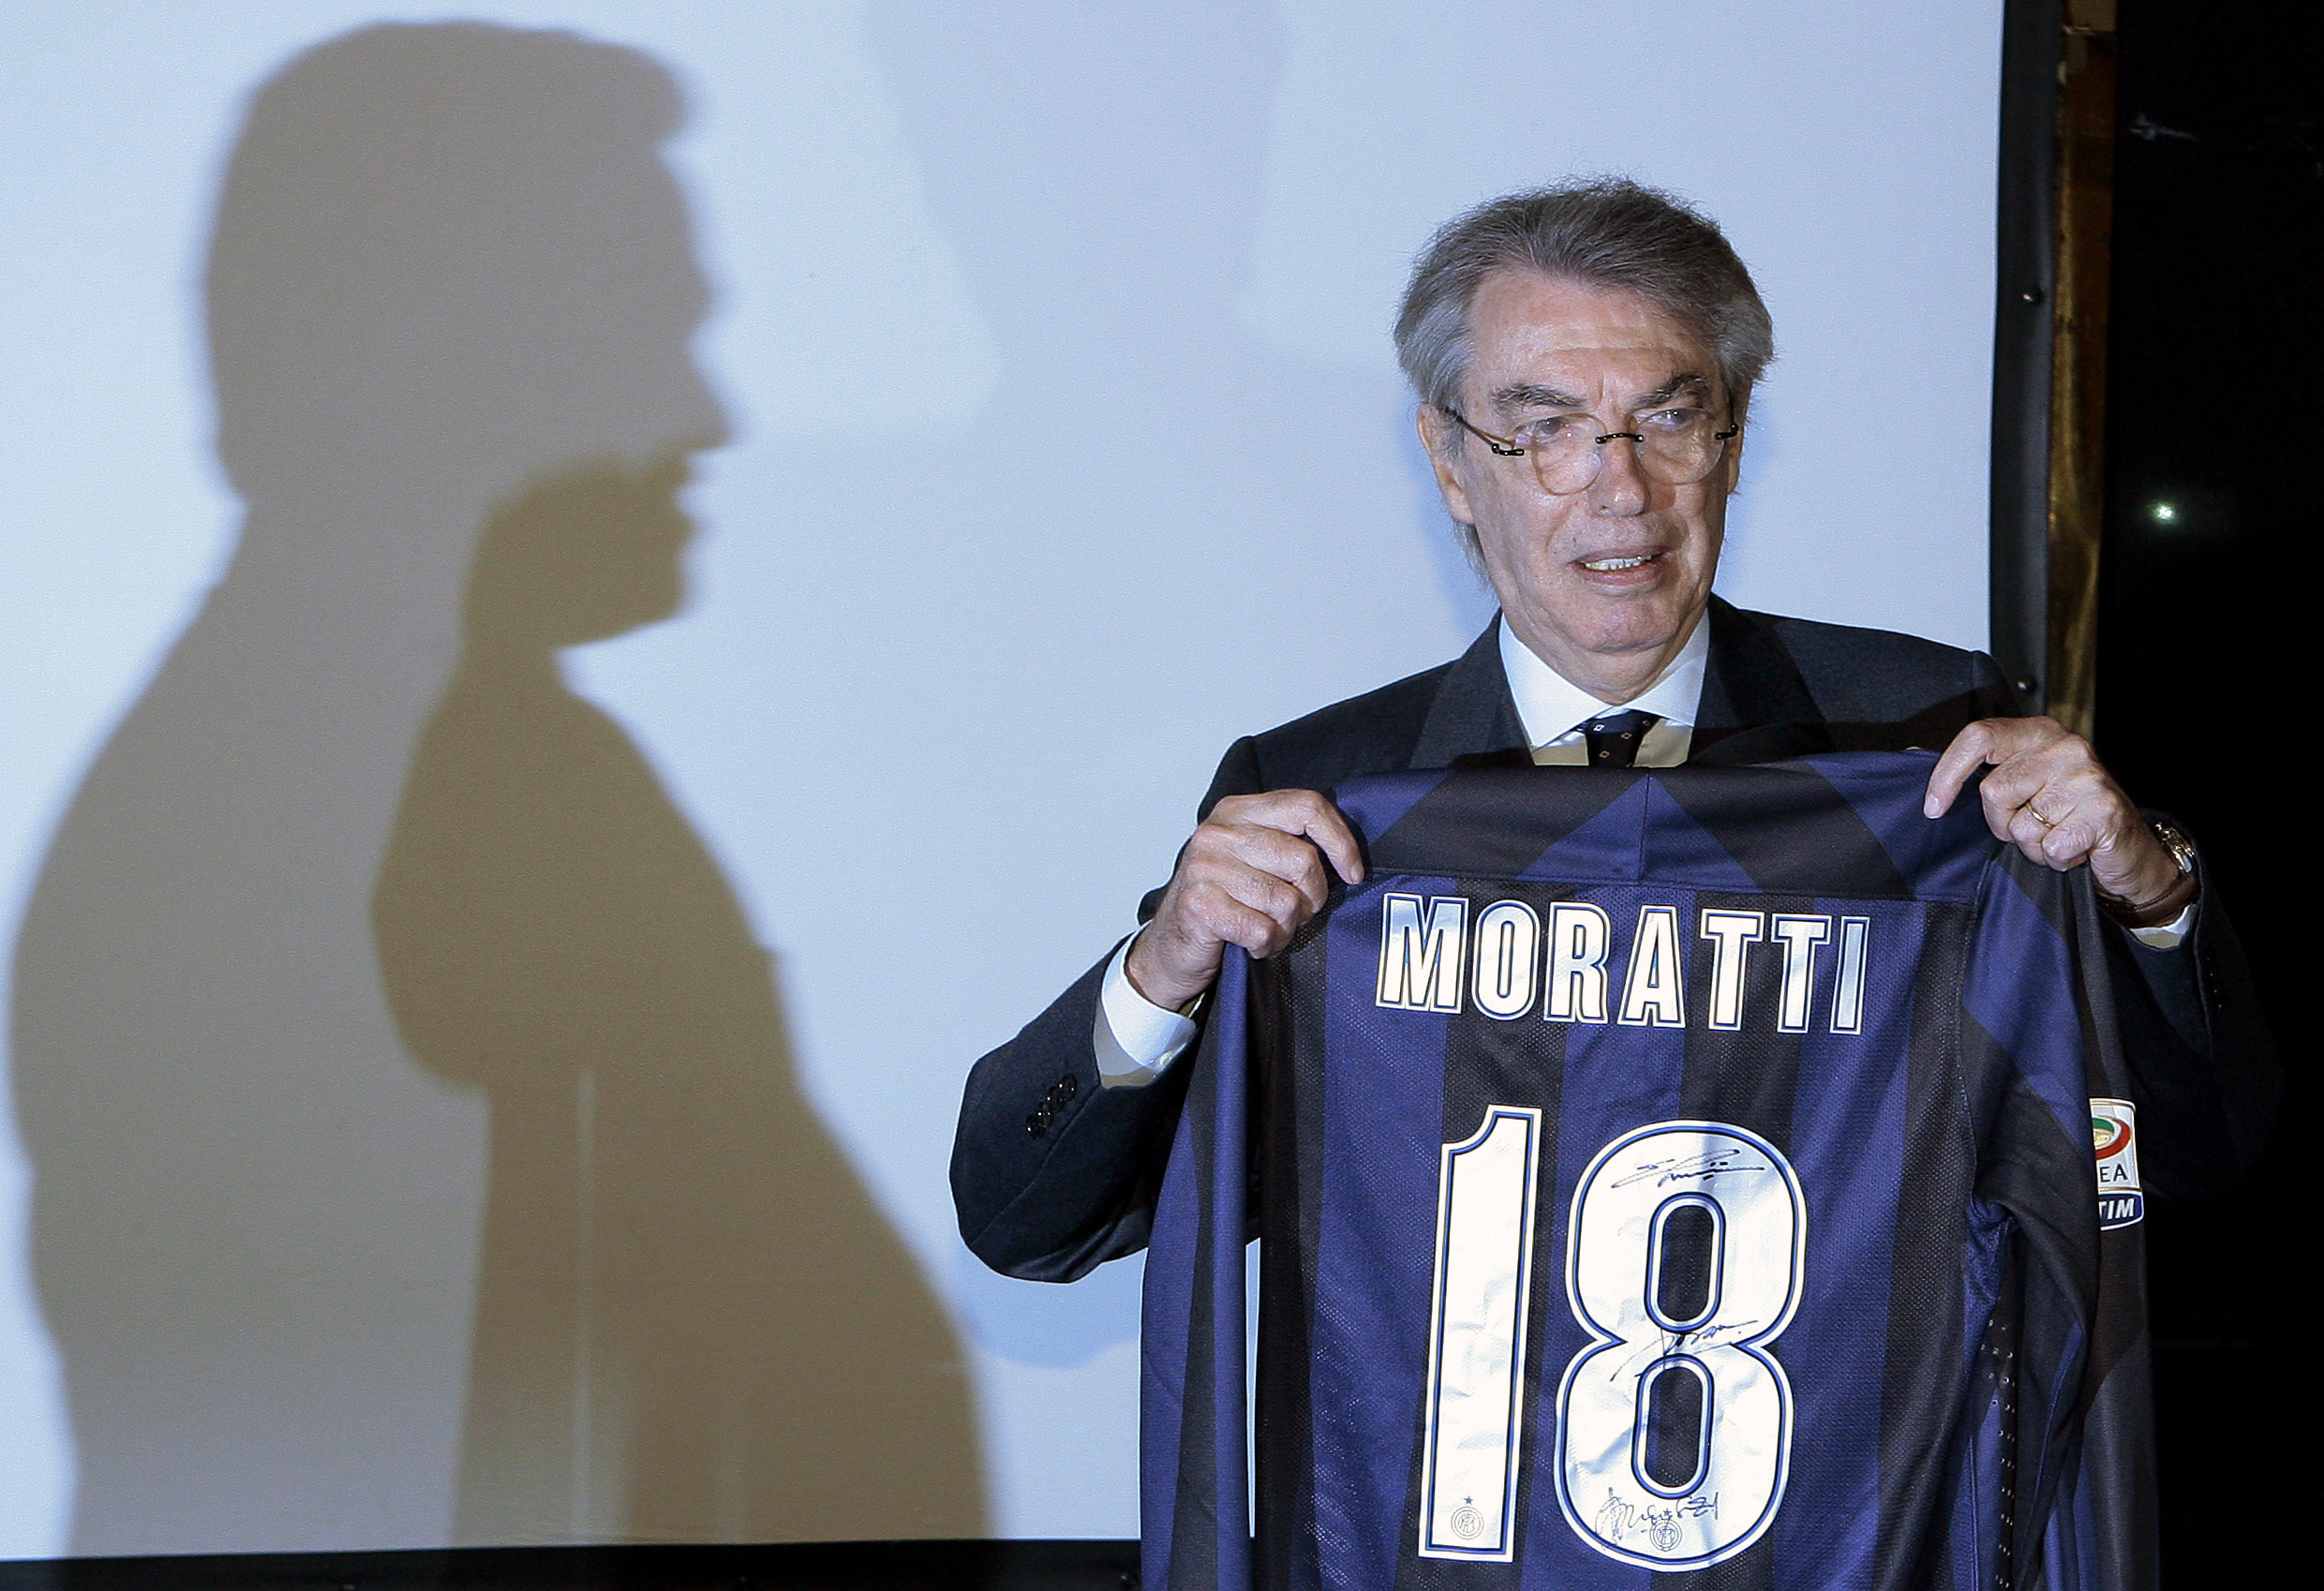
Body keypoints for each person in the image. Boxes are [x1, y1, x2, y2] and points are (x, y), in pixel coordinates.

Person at [951, 177, 2273, 1283]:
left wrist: (2146, 889)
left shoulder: (1931, 740)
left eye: (1667, 418)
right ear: (1450, 460)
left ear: (1736, 439)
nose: (1619, 488)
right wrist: (1163, 969)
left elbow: (2197, 1151)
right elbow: (1030, 1220)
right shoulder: (1326, 796)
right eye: (1546, 432)